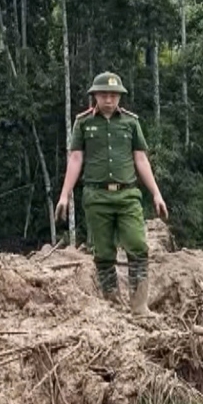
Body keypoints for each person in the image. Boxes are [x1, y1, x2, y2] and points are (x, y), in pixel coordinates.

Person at [55, 71, 170, 313]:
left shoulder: (131, 122)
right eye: (104, 95)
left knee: (137, 245)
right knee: (103, 251)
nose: (109, 99)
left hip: (127, 195)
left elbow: (141, 160)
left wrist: (156, 194)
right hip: (96, 196)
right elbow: (75, 158)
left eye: (114, 95)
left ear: (120, 97)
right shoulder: (83, 123)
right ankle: (111, 302)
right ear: (94, 96)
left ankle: (140, 305)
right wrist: (65, 195)